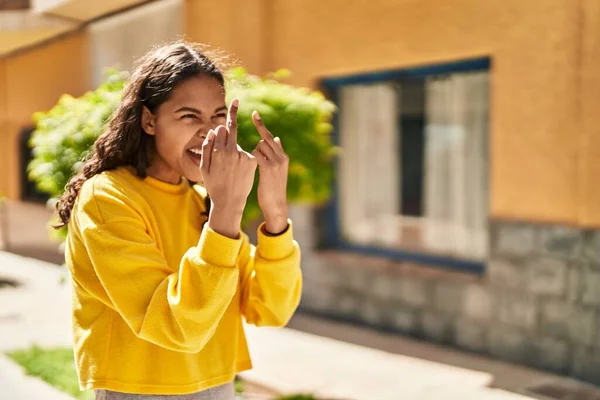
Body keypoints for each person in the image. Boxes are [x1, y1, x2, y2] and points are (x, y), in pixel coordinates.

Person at [55, 42, 302, 400]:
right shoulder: (108, 198)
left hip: (218, 385)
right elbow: (177, 327)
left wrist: (276, 213)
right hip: (140, 391)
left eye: (219, 117)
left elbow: (270, 310)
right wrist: (225, 213)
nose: (209, 132)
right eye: (189, 116)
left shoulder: (202, 201)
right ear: (149, 120)